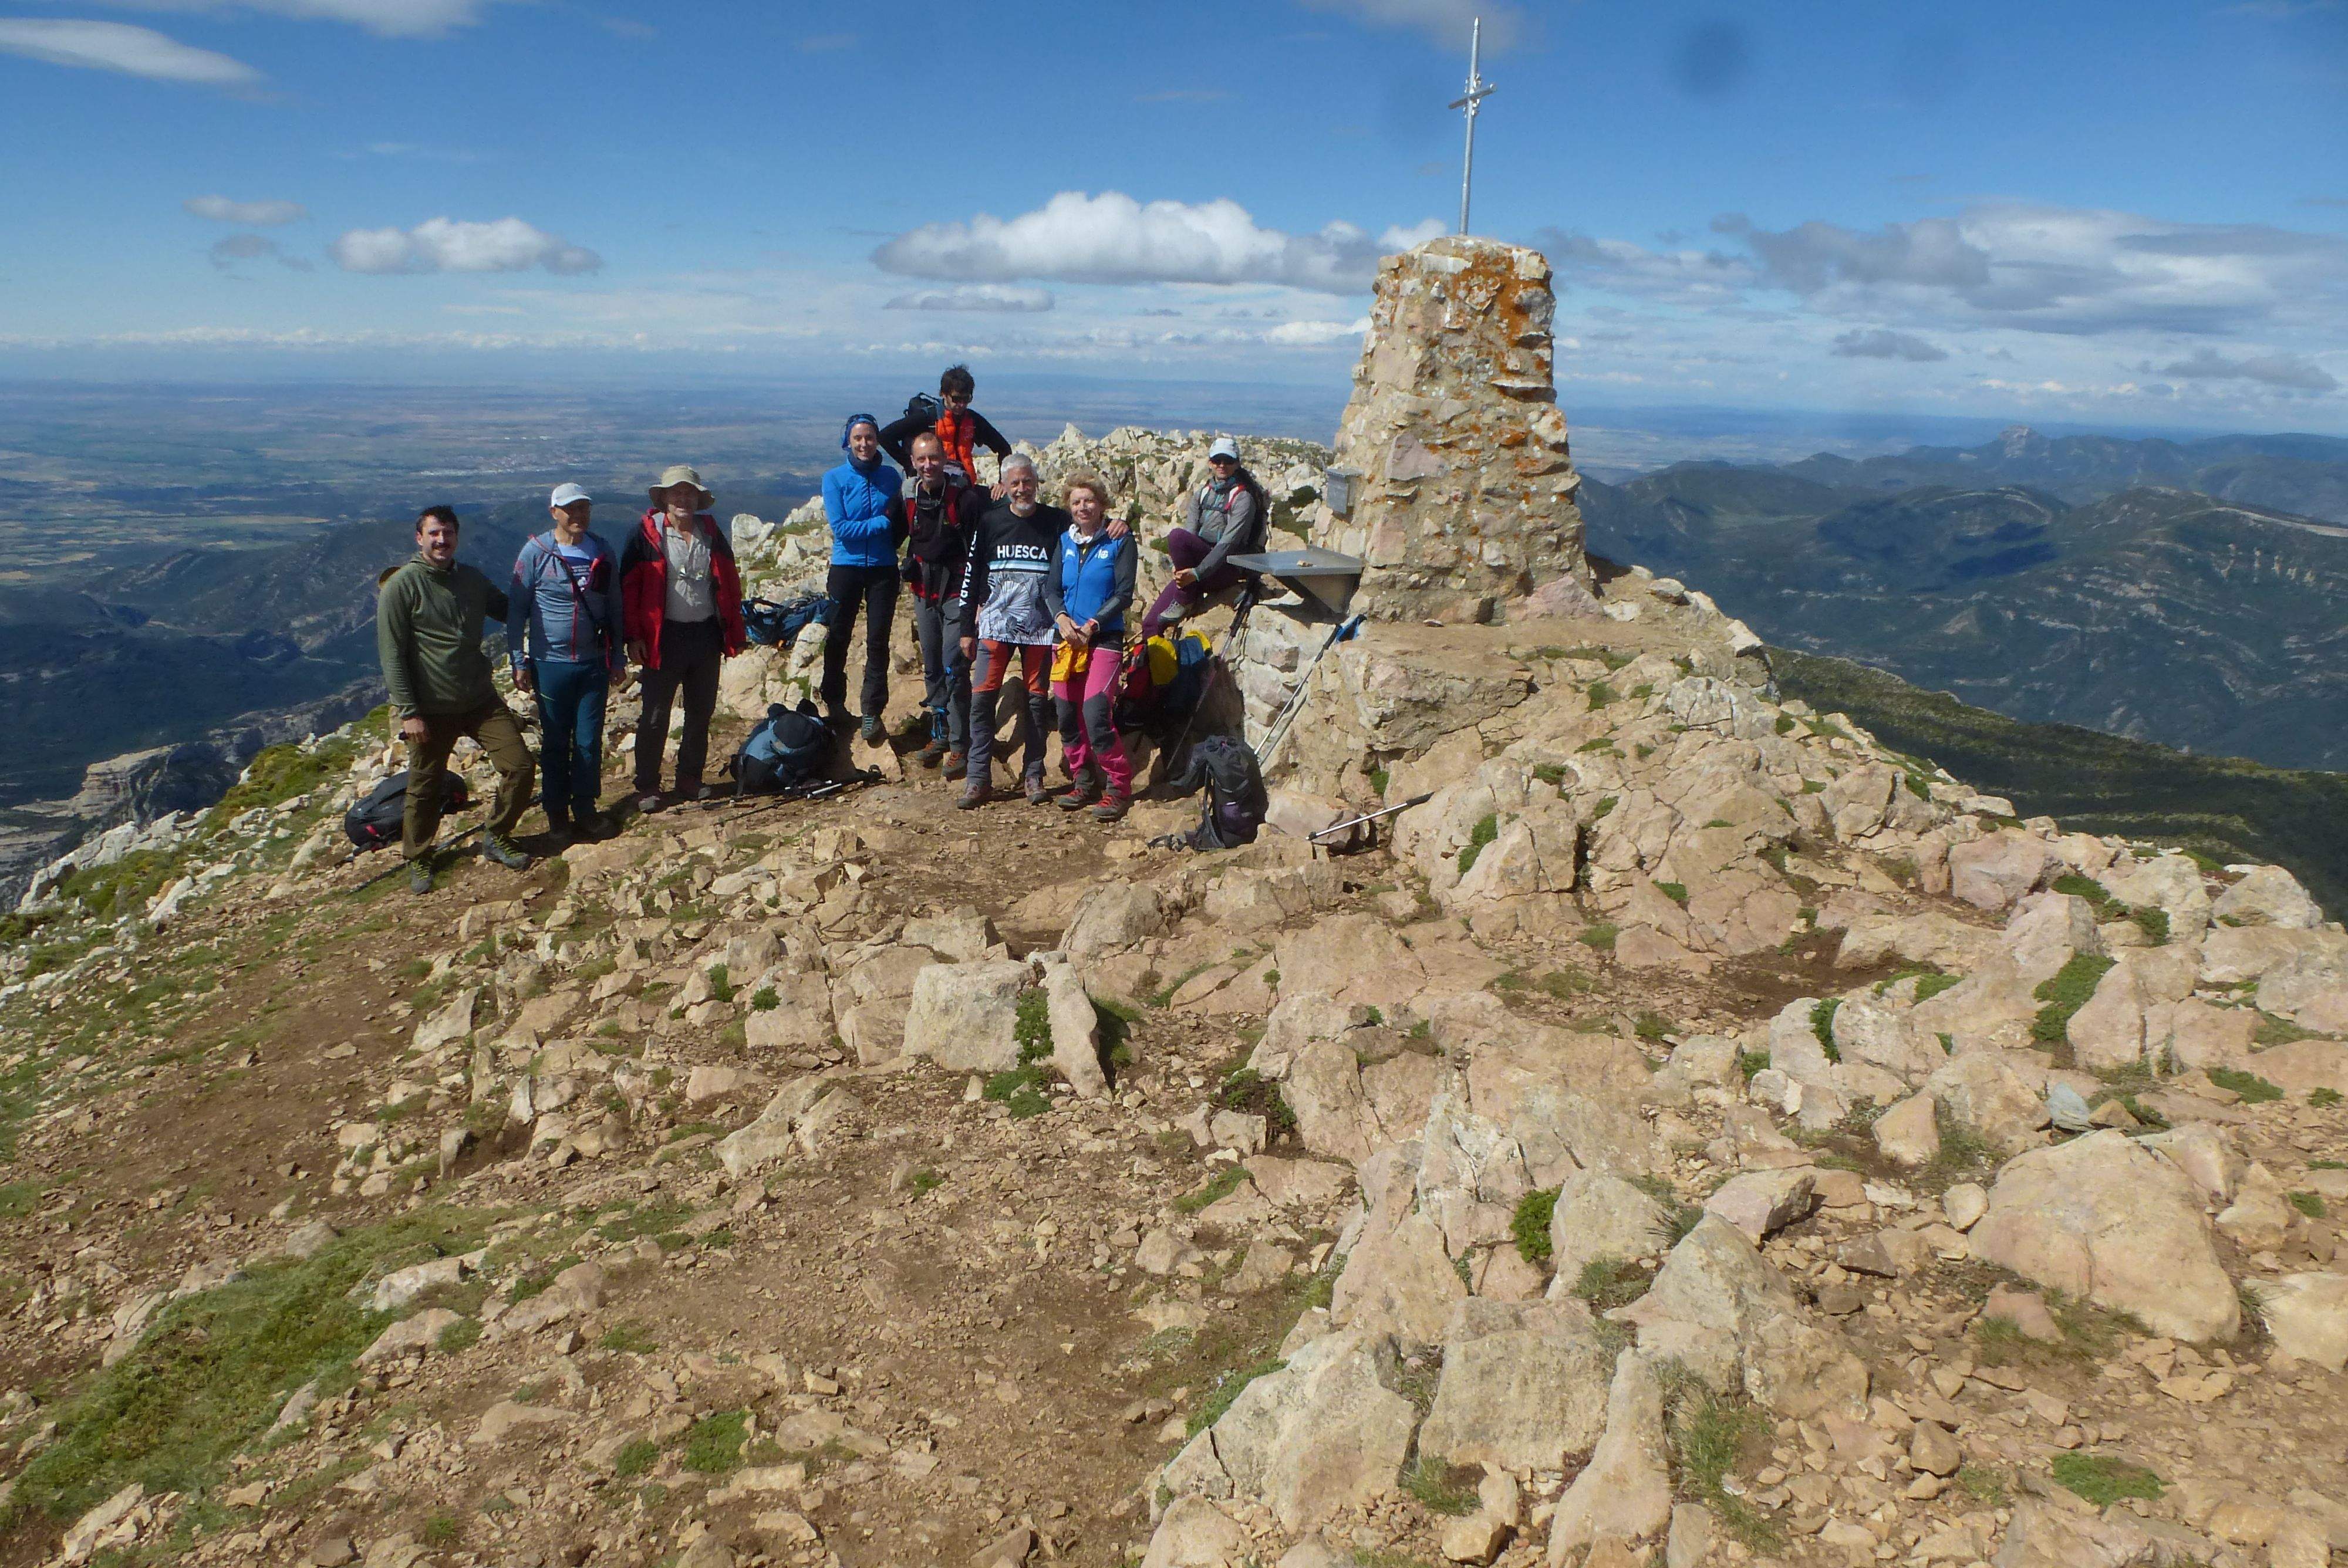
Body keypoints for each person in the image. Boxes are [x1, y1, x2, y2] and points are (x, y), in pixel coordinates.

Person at [376, 505, 534, 892]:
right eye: (434, 533)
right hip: (430, 707)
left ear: (457, 537)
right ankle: (418, 855)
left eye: (447, 533)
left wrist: (543, 579)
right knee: (425, 785)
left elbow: (510, 610)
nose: (441, 540)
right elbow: (392, 655)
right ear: (419, 538)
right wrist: (409, 712)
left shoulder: (472, 580)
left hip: (480, 699)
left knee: (520, 766)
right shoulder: (402, 586)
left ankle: (497, 834)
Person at [621, 465, 745, 813]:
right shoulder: (645, 536)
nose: (683, 499)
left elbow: (729, 581)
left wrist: (734, 630)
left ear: (698, 499)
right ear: (663, 499)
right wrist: (633, 636)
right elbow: (629, 590)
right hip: (664, 637)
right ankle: (647, 784)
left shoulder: (710, 533)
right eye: (676, 493)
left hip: (705, 634)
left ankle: (689, 778)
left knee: (700, 712)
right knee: (655, 714)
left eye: (689, 493)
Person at [508, 482, 624, 843]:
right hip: (550, 664)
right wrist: (518, 660)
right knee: (556, 741)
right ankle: (557, 814)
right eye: (570, 509)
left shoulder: (602, 549)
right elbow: (517, 609)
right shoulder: (536, 552)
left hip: (593, 662)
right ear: (554, 512)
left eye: (584, 508)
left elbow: (615, 605)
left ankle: (585, 810)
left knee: (589, 740)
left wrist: (617, 656)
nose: (579, 516)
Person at [956, 453, 1066, 808]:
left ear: (1037, 484)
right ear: (1004, 486)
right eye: (1015, 483)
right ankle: (977, 779)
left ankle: (1034, 776)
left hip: (1040, 628)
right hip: (994, 626)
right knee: (982, 701)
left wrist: (1116, 525)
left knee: (1036, 703)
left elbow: (1091, 529)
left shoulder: (1057, 521)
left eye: (1027, 482)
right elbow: (972, 575)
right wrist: (966, 628)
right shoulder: (990, 521)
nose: (1022, 489)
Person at [1043, 472, 1138, 820]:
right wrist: (1062, 619)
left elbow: (1124, 593)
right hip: (1067, 640)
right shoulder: (1064, 542)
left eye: (1089, 500)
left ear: (1101, 504)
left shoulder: (1119, 540)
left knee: (1096, 712)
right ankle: (1082, 780)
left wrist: (1093, 624)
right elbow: (1052, 589)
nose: (1083, 507)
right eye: (1076, 502)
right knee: (1067, 713)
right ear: (1069, 507)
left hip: (1103, 639)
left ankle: (1118, 787)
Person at [900, 430, 985, 771]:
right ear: (912, 462)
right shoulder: (909, 499)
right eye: (921, 459)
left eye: (934, 458)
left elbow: (982, 546)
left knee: (954, 665)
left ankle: (960, 744)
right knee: (933, 664)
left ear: (945, 459)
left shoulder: (965, 500)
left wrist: (979, 598)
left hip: (956, 593)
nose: (928, 465)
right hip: (923, 592)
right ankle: (940, 732)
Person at [819, 414, 903, 744]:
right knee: (838, 636)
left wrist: (890, 532)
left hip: (884, 567)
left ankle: (872, 711)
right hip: (846, 567)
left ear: (877, 440)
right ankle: (834, 703)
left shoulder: (891, 477)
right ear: (848, 442)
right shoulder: (834, 479)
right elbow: (841, 528)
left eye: (869, 437)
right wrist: (881, 524)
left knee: (878, 640)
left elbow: (901, 520)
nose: (864, 444)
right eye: (858, 438)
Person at [1142, 435, 1265, 636]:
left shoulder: (1243, 498)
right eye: (1217, 460)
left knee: (1177, 536)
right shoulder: (1202, 494)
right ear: (1210, 463)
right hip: (1199, 569)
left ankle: (1186, 597)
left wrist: (1197, 574)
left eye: (1228, 461)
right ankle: (1150, 654)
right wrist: (1183, 570)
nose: (1222, 465)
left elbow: (1228, 544)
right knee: (1150, 624)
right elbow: (1191, 533)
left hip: (1228, 567)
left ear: (1237, 463)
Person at [878, 363, 1013, 493]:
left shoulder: (973, 420)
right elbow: (885, 436)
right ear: (943, 394)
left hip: (966, 488)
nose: (961, 404)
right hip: (933, 489)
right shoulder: (927, 418)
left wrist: (1003, 482)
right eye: (956, 399)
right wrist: (910, 465)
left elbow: (1004, 448)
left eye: (966, 399)